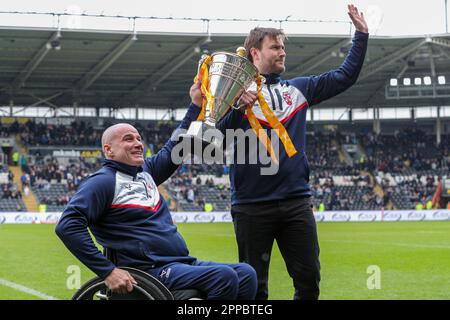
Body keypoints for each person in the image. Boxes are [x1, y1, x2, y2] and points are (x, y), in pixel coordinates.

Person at [217, 4, 368, 300]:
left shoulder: (299, 89)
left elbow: (345, 77)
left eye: (283, 46)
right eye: (275, 47)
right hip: (251, 206)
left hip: (296, 202)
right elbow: (211, 137)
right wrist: (236, 105)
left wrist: (361, 35)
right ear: (255, 54)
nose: (283, 52)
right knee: (254, 287)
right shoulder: (232, 93)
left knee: (309, 280)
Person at [55, 82, 257, 300]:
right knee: (223, 277)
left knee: (246, 274)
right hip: (147, 272)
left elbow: (179, 145)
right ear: (108, 150)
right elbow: (68, 225)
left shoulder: (146, 171)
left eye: (139, 138)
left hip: (178, 263)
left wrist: (196, 105)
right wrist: (108, 271)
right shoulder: (103, 182)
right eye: (128, 139)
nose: (138, 143)